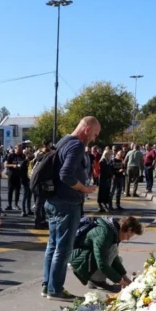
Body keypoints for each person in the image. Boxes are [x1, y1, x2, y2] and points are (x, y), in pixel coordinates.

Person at [42, 117, 99, 301]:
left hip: (53, 202)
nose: (94, 139)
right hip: (67, 203)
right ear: (87, 128)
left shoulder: (63, 141)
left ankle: (47, 285)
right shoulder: (76, 146)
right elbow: (65, 174)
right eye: (94, 134)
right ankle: (55, 289)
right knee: (63, 248)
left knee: (52, 245)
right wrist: (84, 189)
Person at [68, 216, 143, 289]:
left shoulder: (112, 231)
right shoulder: (104, 234)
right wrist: (121, 282)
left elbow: (114, 260)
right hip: (80, 264)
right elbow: (102, 264)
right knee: (113, 250)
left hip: (87, 261)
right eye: (128, 236)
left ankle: (94, 280)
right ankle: (95, 279)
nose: (127, 239)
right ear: (129, 229)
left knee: (118, 258)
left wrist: (125, 277)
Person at [32, 140, 52, 229]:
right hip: (38, 183)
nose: (50, 148)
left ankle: (42, 221)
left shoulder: (42, 155)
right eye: (49, 145)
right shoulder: (41, 155)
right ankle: (37, 222)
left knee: (41, 203)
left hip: (37, 182)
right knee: (39, 204)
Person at [5, 145, 25, 212]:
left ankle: (16, 204)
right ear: (15, 149)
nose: (20, 150)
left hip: (19, 175)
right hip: (11, 175)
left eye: (21, 149)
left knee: (17, 190)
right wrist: (13, 165)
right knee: (10, 190)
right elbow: (6, 164)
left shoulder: (22, 156)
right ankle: (9, 205)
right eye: (18, 149)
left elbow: (24, 164)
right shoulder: (11, 155)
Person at [19, 148, 33, 217]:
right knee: (25, 196)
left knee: (29, 196)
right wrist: (25, 181)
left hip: (30, 181)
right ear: (27, 155)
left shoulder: (31, 162)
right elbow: (21, 174)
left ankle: (29, 210)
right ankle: (23, 211)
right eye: (30, 153)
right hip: (25, 182)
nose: (31, 155)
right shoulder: (24, 163)